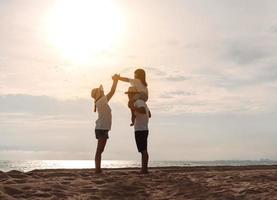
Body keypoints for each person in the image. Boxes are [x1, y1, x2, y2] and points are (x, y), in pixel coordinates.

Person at [91, 74, 119, 174]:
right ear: (99, 94)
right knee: (99, 150)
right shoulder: (101, 101)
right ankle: (97, 169)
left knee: (100, 150)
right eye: (101, 91)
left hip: (102, 128)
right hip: (101, 128)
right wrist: (115, 81)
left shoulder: (100, 102)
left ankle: (98, 169)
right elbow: (112, 92)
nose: (103, 92)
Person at [125, 87, 150, 174]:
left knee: (143, 150)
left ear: (134, 94)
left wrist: (133, 107)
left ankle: (144, 170)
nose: (128, 96)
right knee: (143, 150)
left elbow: (143, 111)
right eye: (128, 94)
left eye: (129, 94)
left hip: (141, 129)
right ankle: (144, 169)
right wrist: (133, 121)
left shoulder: (139, 102)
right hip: (141, 128)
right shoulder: (138, 102)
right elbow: (149, 114)